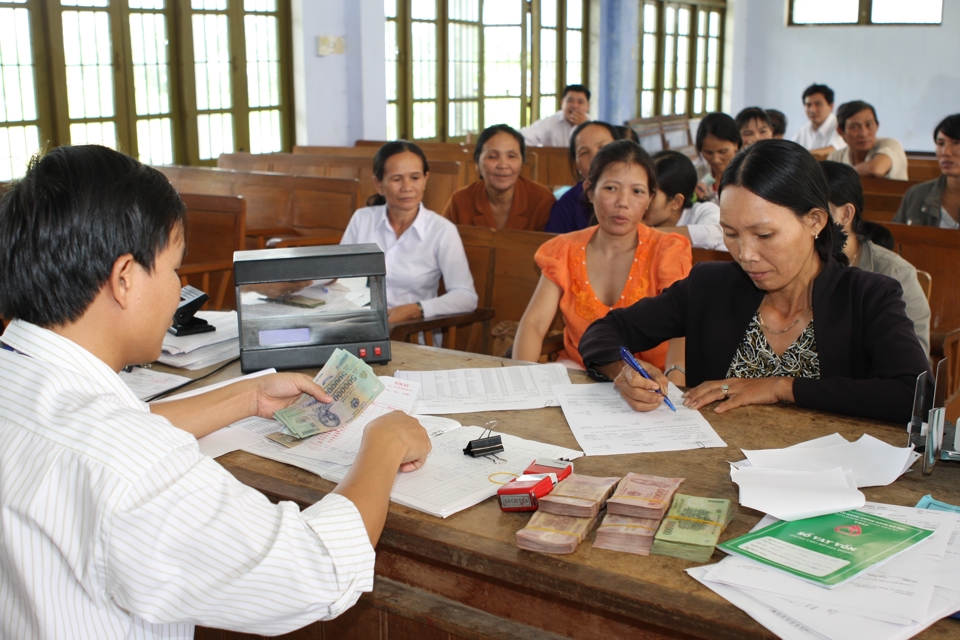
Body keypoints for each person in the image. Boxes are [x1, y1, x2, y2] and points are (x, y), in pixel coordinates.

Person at [0, 145, 432, 639]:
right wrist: (385, 442)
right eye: (174, 269)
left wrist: (245, 398)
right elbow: (314, 573)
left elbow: (84, 429)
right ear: (124, 279)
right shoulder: (133, 466)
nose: (178, 289)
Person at [579, 139, 930, 423]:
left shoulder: (868, 296)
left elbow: (914, 395)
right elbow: (604, 332)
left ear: (815, 221)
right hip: (715, 470)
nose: (745, 254)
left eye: (764, 234)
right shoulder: (711, 286)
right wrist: (623, 371)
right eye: (731, 234)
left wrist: (781, 387)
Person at [513, 140, 691, 379]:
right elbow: (534, 324)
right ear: (590, 191)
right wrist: (520, 381)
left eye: (637, 191)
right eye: (611, 188)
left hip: (653, 381)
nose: (622, 202)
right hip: (582, 375)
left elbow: (680, 329)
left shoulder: (667, 249)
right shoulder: (563, 249)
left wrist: (675, 383)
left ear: (649, 198)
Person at [342, 141, 478, 324]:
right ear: (378, 184)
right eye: (397, 179)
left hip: (411, 332)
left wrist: (417, 309)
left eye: (415, 178)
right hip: (360, 325)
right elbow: (340, 279)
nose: (407, 187)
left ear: (425, 180)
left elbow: (466, 297)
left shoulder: (441, 230)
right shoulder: (362, 219)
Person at [821, 160, 930, 356]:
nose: (805, 220)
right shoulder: (800, 264)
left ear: (845, 214)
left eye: (817, 212)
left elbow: (914, 361)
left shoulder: (894, 273)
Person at [443, 124, 555, 230]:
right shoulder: (460, 201)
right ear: (477, 163)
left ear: (522, 163)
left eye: (511, 156)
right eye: (492, 157)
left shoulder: (542, 201)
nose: (503, 165)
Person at [544, 120, 623, 233]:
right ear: (576, 165)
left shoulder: (641, 191)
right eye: (584, 152)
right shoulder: (567, 205)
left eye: (602, 148)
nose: (595, 157)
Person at [643, 150, 725, 251]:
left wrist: (649, 234)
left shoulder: (703, 211)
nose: (643, 204)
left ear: (677, 202)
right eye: (639, 192)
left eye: (651, 196)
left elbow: (714, 234)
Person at [894, 114, 960, 228]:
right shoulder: (916, 195)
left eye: (956, 142)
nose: (946, 152)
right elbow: (894, 240)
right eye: (941, 143)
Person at [828, 101, 908, 180]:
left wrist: (842, 175)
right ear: (841, 131)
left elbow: (876, 169)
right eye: (854, 127)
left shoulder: (891, 145)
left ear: (877, 126)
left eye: (869, 125)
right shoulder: (835, 157)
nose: (863, 134)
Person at [694, 112, 742, 204]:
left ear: (736, 144)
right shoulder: (697, 176)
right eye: (708, 152)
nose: (715, 159)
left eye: (723, 152)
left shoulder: (749, 176)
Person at [520, 84, 591, 147]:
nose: (575, 106)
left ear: (588, 107)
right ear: (562, 103)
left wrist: (585, 126)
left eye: (580, 102)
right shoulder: (550, 122)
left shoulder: (592, 124)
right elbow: (525, 137)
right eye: (570, 101)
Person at [793, 83, 847, 155]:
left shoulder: (839, 126)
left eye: (818, 104)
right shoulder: (804, 129)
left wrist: (802, 155)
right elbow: (791, 148)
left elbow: (835, 150)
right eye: (808, 105)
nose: (812, 110)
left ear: (831, 106)